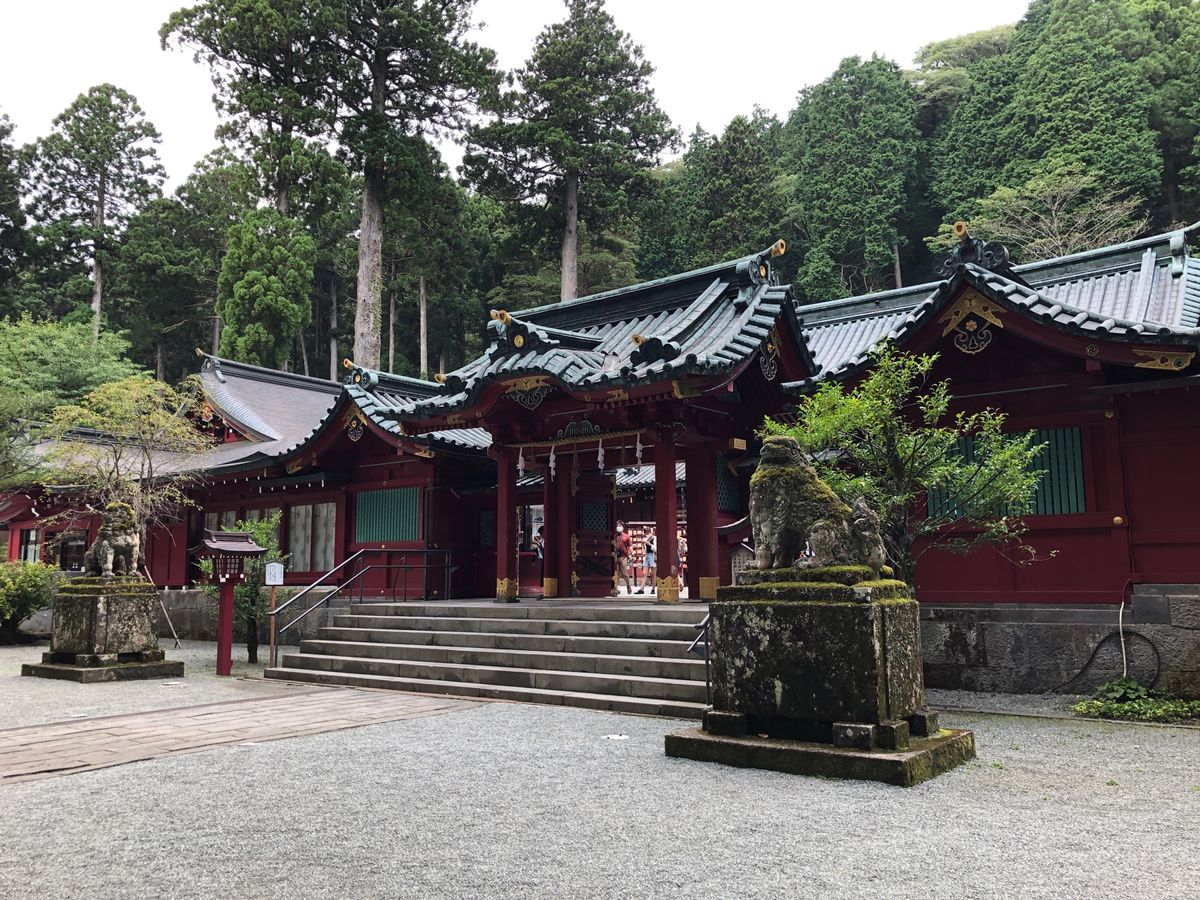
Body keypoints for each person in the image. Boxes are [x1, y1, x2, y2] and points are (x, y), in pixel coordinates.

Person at [614, 522, 634, 595]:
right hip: (615, 556)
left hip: (623, 557)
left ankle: (628, 586)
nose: (618, 527)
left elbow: (630, 546)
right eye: (617, 526)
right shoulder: (614, 536)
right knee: (616, 574)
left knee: (624, 573)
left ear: (623, 527)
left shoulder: (626, 536)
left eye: (620, 526)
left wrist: (632, 553)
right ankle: (615, 589)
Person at [636, 526, 656, 595]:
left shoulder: (655, 538)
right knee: (644, 573)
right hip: (647, 555)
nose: (647, 534)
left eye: (648, 533)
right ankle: (641, 589)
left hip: (653, 555)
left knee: (653, 574)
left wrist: (649, 544)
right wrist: (642, 544)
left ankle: (653, 589)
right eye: (646, 533)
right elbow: (644, 550)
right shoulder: (645, 539)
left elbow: (656, 549)